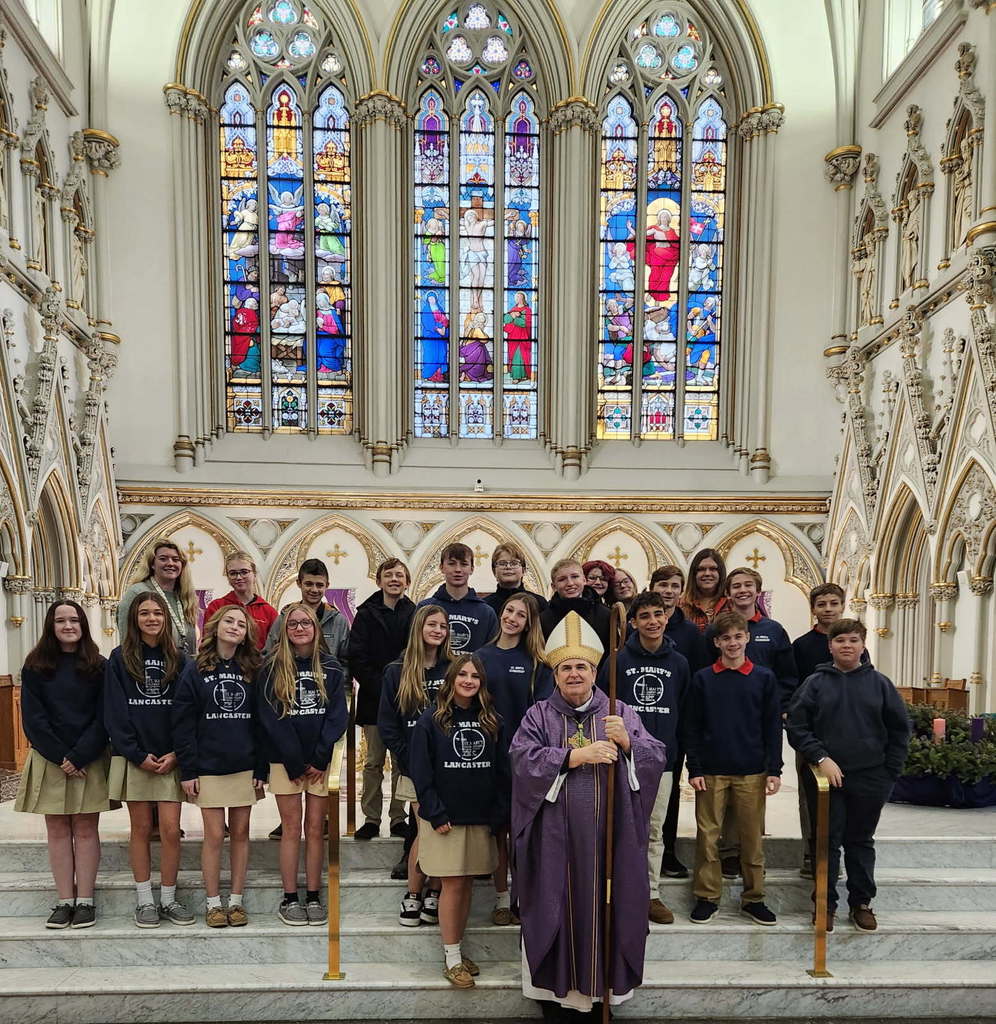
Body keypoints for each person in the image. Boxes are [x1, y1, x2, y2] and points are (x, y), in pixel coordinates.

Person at [512, 611, 666, 1020]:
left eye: (581, 666)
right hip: (555, 844)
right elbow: (522, 761)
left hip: (607, 842)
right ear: (555, 674)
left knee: (608, 909)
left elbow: (655, 757)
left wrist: (629, 742)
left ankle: (605, 995)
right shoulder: (539, 716)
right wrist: (573, 756)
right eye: (566, 668)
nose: (574, 674)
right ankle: (559, 997)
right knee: (556, 908)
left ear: (595, 671)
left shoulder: (619, 712)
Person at [787, 619, 911, 933]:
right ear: (830, 646)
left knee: (860, 841)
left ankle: (862, 902)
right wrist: (821, 757)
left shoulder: (880, 683)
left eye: (853, 640)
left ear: (863, 644)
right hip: (825, 777)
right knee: (826, 841)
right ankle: (824, 903)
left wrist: (889, 773)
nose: (847, 646)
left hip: (870, 777)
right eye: (840, 640)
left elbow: (900, 730)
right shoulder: (816, 683)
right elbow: (797, 726)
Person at [409, 654, 509, 989]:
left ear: (482, 683)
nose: (468, 680)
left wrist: (498, 813)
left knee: (466, 884)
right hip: (445, 820)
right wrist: (435, 813)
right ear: (451, 679)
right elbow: (421, 773)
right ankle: (452, 958)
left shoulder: (492, 720)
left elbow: (501, 772)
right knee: (452, 885)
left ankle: (459, 950)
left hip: (479, 818)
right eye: (462, 674)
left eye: (475, 676)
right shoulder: (431, 720)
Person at [14, 601, 109, 930]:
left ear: (83, 624)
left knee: (85, 830)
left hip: (89, 758)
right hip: (50, 758)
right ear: (50, 626)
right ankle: (64, 900)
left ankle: (85, 900)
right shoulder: (36, 666)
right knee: (57, 830)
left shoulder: (99, 665)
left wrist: (81, 754)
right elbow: (33, 720)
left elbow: (104, 716)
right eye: (60, 620)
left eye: (74, 620)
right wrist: (63, 757)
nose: (68, 626)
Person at [597, 590, 689, 926]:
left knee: (653, 828)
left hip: (661, 760)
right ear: (633, 622)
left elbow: (684, 711)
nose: (653, 621)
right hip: (620, 756)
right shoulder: (618, 661)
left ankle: (650, 892)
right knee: (617, 824)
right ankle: (614, 889)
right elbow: (601, 708)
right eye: (645, 616)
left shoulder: (679, 663)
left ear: (667, 617)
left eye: (658, 614)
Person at [685, 610, 782, 927]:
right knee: (708, 838)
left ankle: (754, 898)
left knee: (751, 838)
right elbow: (693, 726)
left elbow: (771, 727)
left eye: (738, 636)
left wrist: (775, 769)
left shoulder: (763, 677)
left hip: (751, 769)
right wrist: (694, 767)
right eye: (725, 638)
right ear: (716, 642)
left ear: (747, 638)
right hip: (711, 770)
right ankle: (707, 897)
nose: (732, 643)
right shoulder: (703, 678)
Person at [104, 592, 194, 928]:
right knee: (141, 828)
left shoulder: (180, 658)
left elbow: (187, 711)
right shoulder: (119, 658)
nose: (152, 618)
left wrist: (176, 753)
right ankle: (144, 900)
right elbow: (114, 711)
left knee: (170, 830)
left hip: (171, 757)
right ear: (134, 619)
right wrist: (136, 754)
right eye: (145, 613)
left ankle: (169, 899)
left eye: (158, 613)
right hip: (136, 757)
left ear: (166, 619)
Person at [172, 606, 265, 928]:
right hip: (208, 765)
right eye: (229, 620)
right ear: (215, 625)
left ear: (246, 633)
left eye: (241, 624)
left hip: (244, 764)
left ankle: (236, 902)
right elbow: (183, 723)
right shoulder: (194, 668)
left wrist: (261, 768)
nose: (235, 627)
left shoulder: (253, 667)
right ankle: (213, 903)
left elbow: (262, 723)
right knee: (213, 835)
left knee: (240, 833)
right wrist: (188, 771)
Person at [257, 602, 348, 926]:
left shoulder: (332, 666)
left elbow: (338, 715)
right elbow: (270, 718)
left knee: (314, 829)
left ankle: (312, 894)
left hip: (320, 763)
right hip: (286, 761)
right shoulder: (271, 667)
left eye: (305, 623)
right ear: (284, 629)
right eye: (292, 623)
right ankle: (290, 896)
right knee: (292, 829)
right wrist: (295, 761)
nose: (298, 628)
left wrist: (320, 756)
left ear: (316, 627)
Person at [476, 594, 552, 924]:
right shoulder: (480, 656)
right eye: (509, 611)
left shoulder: (537, 662)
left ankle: (525, 896)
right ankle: (502, 899)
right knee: (498, 831)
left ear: (529, 623)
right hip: (489, 757)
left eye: (520, 615)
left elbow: (545, 711)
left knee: (526, 833)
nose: (512, 618)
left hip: (526, 760)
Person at [378, 605, 452, 927]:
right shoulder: (397, 670)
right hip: (413, 765)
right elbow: (388, 724)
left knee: (444, 829)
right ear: (419, 627)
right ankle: (413, 892)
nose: (438, 630)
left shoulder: (453, 669)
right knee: (423, 828)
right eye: (431, 624)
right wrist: (410, 759)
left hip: (450, 765)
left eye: (443, 625)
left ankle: (435, 891)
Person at [648, 564, 711, 880]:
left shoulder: (689, 632)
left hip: (675, 723)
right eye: (663, 585)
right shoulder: (640, 627)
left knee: (670, 792)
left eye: (675, 585)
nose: (668, 591)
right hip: (643, 727)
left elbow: (696, 678)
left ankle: (669, 852)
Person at [348, 558, 416, 843]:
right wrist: (383, 685)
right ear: (379, 581)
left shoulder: (415, 613)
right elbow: (357, 657)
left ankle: (398, 817)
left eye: (400, 575)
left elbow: (415, 652)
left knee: (402, 762)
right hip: (375, 698)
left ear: (407, 581)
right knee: (374, 762)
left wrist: (400, 686)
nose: (394, 580)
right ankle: (371, 819)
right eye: (389, 575)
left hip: (405, 698)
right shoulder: (365, 613)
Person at [791, 582, 855, 878]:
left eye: (833, 603)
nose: (828, 609)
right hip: (810, 735)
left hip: (847, 736)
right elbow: (793, 687)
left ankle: (835, 854)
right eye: (822, 604)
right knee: (810, 796)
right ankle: (810, 853)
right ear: (813, 608)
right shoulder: (802, 645)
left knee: (844, 798)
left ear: (842, 605)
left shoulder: (852, 643)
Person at [117, 537, 198, 656]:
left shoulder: (185, 597)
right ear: (152, 564)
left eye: (176, 559)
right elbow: (126, 638)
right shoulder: (137, 592)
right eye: (163, 559)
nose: (170, 563)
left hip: (183, 668)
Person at [265, 558, 350, 669]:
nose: (314, 590)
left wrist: (340, 686)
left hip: (327, 685)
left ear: (327, 585)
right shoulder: (284, 619)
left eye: (319, 585)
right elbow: (268, 657)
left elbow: (346, 663)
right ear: (299, 583)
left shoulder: (338, 621)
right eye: (309, 584)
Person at [417, 542, 498, 655]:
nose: (458, 569)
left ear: (472, 569)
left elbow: (491, 655)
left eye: (464, 564)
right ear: (441, 567)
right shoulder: (424, 608)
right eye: (452, 564)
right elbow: (415, 648)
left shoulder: (486, 613)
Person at [204, 551, 278, 652]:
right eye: (233, 573)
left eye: (244, 572)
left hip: (258, 665)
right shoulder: (216, 607)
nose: (238, 577)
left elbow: (275, 648)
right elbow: (207, 643)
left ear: (254, 574)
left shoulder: (269, 612)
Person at [540, 558, 611, 658]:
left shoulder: (605, 614)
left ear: (584, 580)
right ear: (553, 586)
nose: (570, 583)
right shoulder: (543, 619)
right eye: (562, 579)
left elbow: (611, 654)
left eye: (575, 577)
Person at [483, 541, 548, 615]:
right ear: (494, 571)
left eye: (514, 563)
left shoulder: (539, 602)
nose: (508, 567)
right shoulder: (484, 606)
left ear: (523, 570)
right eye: (502, 563)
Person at [680, 548, 727, 632]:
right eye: (701, 569)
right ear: (694, 574)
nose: (707, 573)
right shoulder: (681, 606)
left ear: (720, 573)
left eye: (713, 569)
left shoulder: (731, 604)